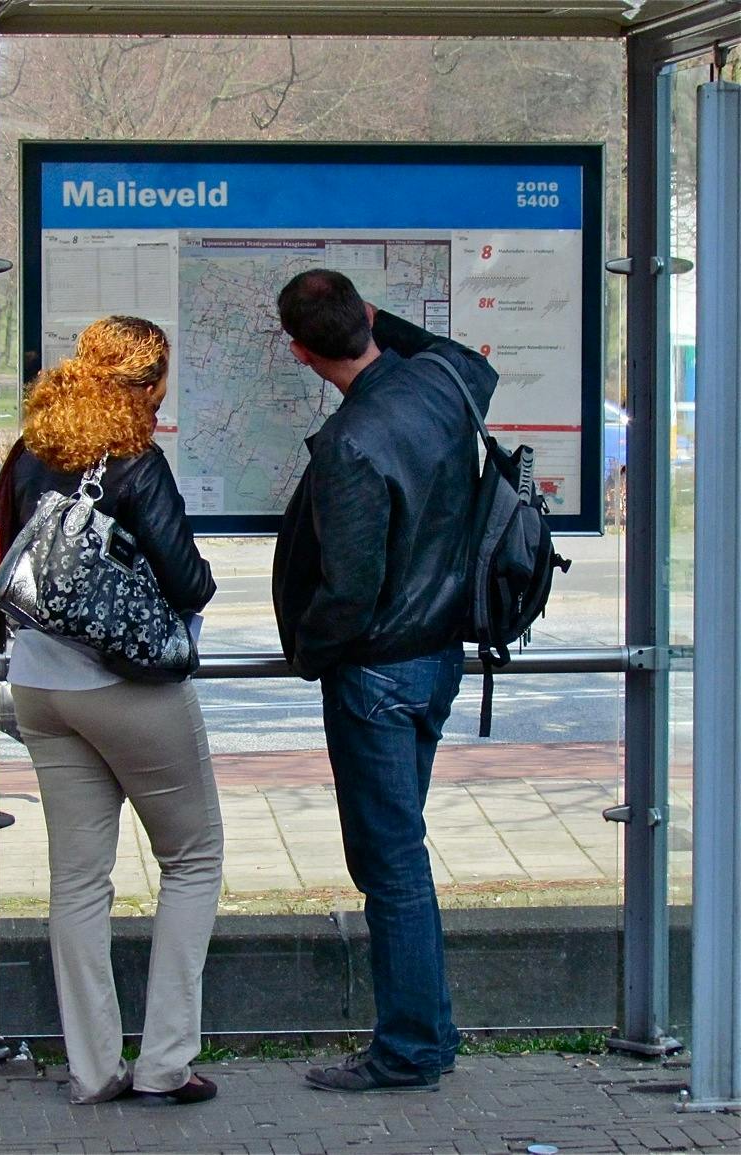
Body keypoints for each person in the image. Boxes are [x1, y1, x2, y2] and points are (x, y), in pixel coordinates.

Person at [0, 316, 222, 1106]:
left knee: (77, 881)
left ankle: (94, 1068)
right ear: (146, 382)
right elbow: (189, 582)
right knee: (194, 857)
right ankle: (167, 1059)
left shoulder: (33, 450)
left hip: (39, 686)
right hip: (127, 690)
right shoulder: (133, 460)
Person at [272, 270, 497, 1094]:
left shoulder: (350, 445)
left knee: (391, 864)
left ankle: (408, 1049)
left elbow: (351, 589)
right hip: (438, 657)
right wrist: (369, 321)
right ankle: (427, 1036)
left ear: (299, 352)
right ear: (371, 317)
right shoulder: (443, 382)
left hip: (377, 674)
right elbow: (454, 356)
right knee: (403, 855)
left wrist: (308, 653)